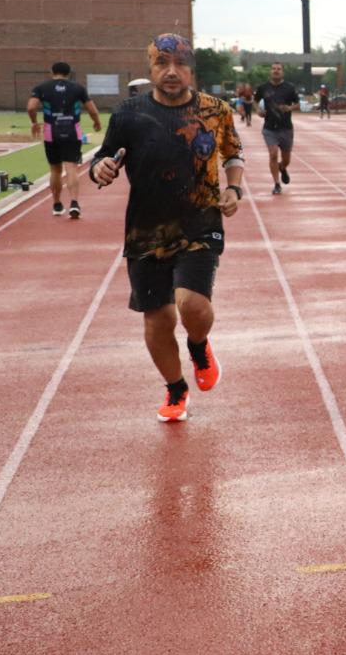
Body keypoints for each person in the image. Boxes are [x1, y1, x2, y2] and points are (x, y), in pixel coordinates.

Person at [88, 34, 244, 423]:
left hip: (201, 221)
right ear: (151, 68)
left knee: (191, 303)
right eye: (162, 63)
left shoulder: (216, 110)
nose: (171, 71)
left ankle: (199, 345)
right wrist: (100, 168)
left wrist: (235, 187)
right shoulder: (128, 114)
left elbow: (232, 153)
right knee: (157, 319)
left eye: (180, 63)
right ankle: (176, 389)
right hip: (146, 231)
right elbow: (105, 156)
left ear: (191, 69)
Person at [27, 61, 102, 219]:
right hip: (72, 132)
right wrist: (96, 122)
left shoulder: (41, 88)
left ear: (51, 71)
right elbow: (92, 109)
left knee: (55, 170)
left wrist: (34, 122)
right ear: (68, 73)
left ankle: (57, 204)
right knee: (71, 168)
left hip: (50, 133)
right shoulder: (78, 88)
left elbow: (31, 107)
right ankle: (74, 203)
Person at [255, 63, 300, 196]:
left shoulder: (289, 88)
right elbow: (255, 100)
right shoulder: (263, 88)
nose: (276, 71)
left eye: (278, 69)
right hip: (270, 128)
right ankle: (276, 184)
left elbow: (298, 104)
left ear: (282, 72)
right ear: (270, 71)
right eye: (274, 69)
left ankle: (282, 167)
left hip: (286, 128)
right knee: (273, 154)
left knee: (286, 160)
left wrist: (289, 108)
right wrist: (258, 110)